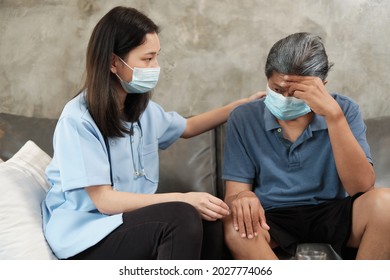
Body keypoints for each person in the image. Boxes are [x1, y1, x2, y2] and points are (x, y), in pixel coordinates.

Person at [41, 6, 263, 260]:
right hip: (86, 235)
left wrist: (242, 105)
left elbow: (188, 127)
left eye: (156, 57)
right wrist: (183, 198)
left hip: (124, 222)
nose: (156, 66)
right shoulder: (78, 119)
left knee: (209, 217)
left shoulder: (142, 109)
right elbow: (104, 201)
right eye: (147, 59)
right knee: (183, 214)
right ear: (114, 62)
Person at [222, 32, 390, 260]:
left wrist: (334, 116)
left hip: (335, 210)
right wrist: (243, 198)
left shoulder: (345, 110)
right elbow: (234, 193)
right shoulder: (243, 118)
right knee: (235, 227)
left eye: (297, 94)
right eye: (278, 90)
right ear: (267, 80)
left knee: (386, 203)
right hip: (272, 216)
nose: (285, 99)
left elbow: (361, 188)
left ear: (322, 87)